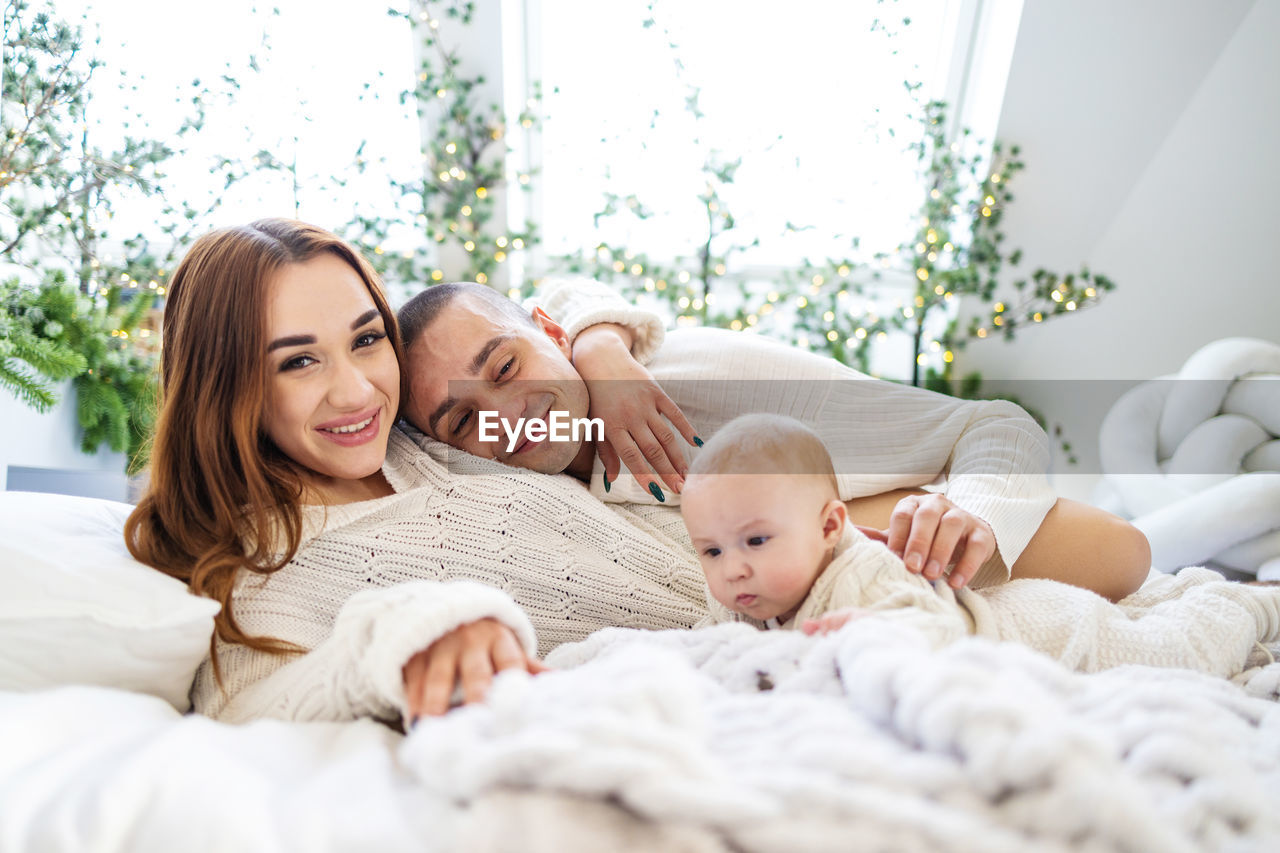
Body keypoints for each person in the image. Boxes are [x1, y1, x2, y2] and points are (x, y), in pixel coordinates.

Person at [396, 280, 1151, 600]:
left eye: (505, 365)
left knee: (1125, 553)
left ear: (552, 334)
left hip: (930, 545)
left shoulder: (715, 381)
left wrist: (972, 513)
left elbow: (995, 424)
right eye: (462, 417)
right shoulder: (513, 491)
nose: (505, 413)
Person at [681, 414, 1280, 678]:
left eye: (756, 541)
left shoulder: (861, 573)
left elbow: (933, 634)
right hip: (1014, 622)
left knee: (1181, 651)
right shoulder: (740, 599)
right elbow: (721, 651)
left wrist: (866, 637)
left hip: (1047, 629)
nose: (733, 569)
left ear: (831, 527)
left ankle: (1249, 602)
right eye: (710, 552)